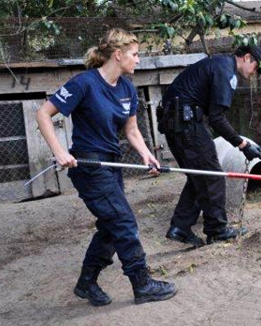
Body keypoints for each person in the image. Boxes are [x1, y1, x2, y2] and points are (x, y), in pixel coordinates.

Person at [36, 28, 177, 306]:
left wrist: (147, 155)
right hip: (88, 164)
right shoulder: (84, 84)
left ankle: (87, 283)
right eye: (135, 55)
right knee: (123, 221)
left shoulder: (127, 88)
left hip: (111, 163)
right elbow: (43, 113)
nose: (138, 60)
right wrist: (60, 151)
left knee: (112, 225)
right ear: (118, 55)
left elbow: (132, 130)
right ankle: (142, 283)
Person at [158, 43, 261, 247]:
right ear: (247, 57)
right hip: (186, 125)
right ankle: (217, 230)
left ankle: (180, 228)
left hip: (175, 123)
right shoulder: (226, 72)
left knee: (199, 175)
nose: (254, 74)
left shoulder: (218, 64)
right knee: (213, 175)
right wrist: (242, 144)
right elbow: (217, 119)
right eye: (255, 67)